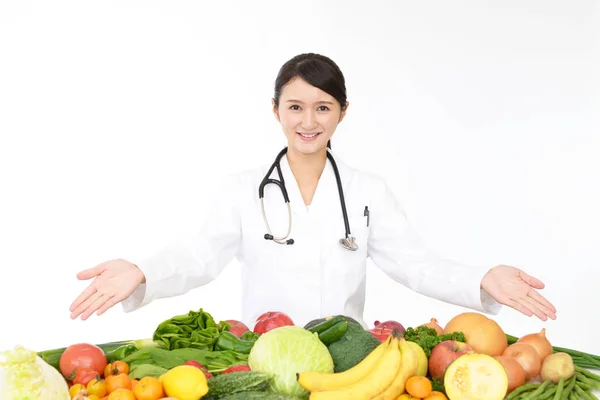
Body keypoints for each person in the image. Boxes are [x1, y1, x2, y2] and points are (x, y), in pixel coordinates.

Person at [69, 53, 557, 329]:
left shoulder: (368, 191)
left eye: (323, 108)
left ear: (342, 112)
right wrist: (142, 271)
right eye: (296, 106)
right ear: (276, 110)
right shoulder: (242, 191)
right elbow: (197, 257)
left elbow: (416, 264)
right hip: (265, 363)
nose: (308, 121)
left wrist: (480, 279)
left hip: (346, 365)